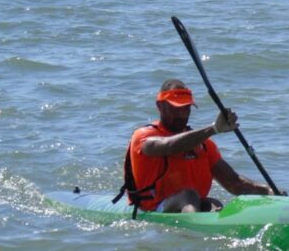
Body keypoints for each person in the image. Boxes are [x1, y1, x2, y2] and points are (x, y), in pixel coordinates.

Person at [118, 79, 276, 214]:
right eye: (176, 108)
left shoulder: (204, 144)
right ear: (160, 106)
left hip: (189, 205)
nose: (182, 114)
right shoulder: (143, 136)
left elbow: (234, 183)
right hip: (151, 208)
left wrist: (268, 191)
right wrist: (213, 129)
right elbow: (170, 146)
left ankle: (209, 229)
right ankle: (191, 235)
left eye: (186, 108)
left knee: (213, 203)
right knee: (189, 195)